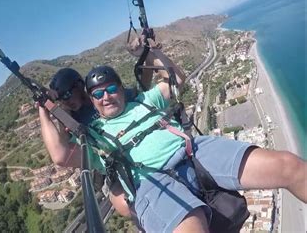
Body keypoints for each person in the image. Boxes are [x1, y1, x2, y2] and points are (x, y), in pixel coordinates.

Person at [78, 36, 307, 232]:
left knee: (288, 165)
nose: (105, 97)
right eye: (98, 94)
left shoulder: (144, 101)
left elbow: (176, 79)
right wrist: (43, 106)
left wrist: (152, 51)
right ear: (91, 100)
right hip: (151, 181)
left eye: (110, 89)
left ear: (121, 89)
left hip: (191, 150)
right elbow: (60, 154)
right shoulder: (94, 136)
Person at [38, 66, 150, 218]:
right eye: (62, 98)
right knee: (130, 206)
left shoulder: (105, 98)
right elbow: (61, 150)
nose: (68, 100)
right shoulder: (72, 120)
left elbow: (139, 97)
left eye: (68, 94)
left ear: (80, 85)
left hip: (136, 151)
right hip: (111, 167)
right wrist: (49, 109)